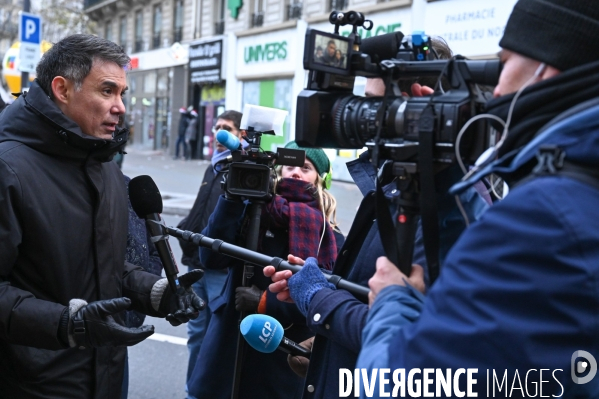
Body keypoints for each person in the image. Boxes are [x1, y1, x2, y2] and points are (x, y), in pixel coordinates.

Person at [357, 1, 599, 397]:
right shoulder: (574, 186)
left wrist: (392, 303)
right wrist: (445, 165)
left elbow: (392, 386)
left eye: (505, 64)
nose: (499, 88)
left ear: (548, 66)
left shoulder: (543, 220)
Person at [264, 37, 491, 398]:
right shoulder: (396, 186)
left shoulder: (449, 208)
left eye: (374, 106)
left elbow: (401, 331)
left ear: (423, 105)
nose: (361, 119)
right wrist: (320, 282)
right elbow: (379, 295)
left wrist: (317, 296)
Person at [0, 34, 205, 398]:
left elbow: (103, 262)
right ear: (62, 89)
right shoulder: (8, 169)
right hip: (33, 385)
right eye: (107, 91)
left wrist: (157, 293)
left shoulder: (104, 166)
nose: (121, 106)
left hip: (106, 379)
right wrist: (68, 324)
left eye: (122, 93)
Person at [187, 141, 344, 399]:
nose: (296, 173)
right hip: (229, 348)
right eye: (290, 166)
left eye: (305, 168)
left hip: (280, 362)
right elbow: (210, 259)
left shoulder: (330, 238)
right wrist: (231, 199)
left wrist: (265, 302)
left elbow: (327, 301)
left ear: (320, 179)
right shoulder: (252, 214)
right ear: (278, 171)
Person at [176, 110, 244, 389]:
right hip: (196, 264)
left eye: (226, 128)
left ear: (240, 135)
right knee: (196, 335)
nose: (219, 134)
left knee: (216, 338)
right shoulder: (213, 165)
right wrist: (185, 228)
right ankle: (193, 390)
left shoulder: (241, 167)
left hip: (219, 269)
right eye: (217, 127)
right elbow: (201, 211)